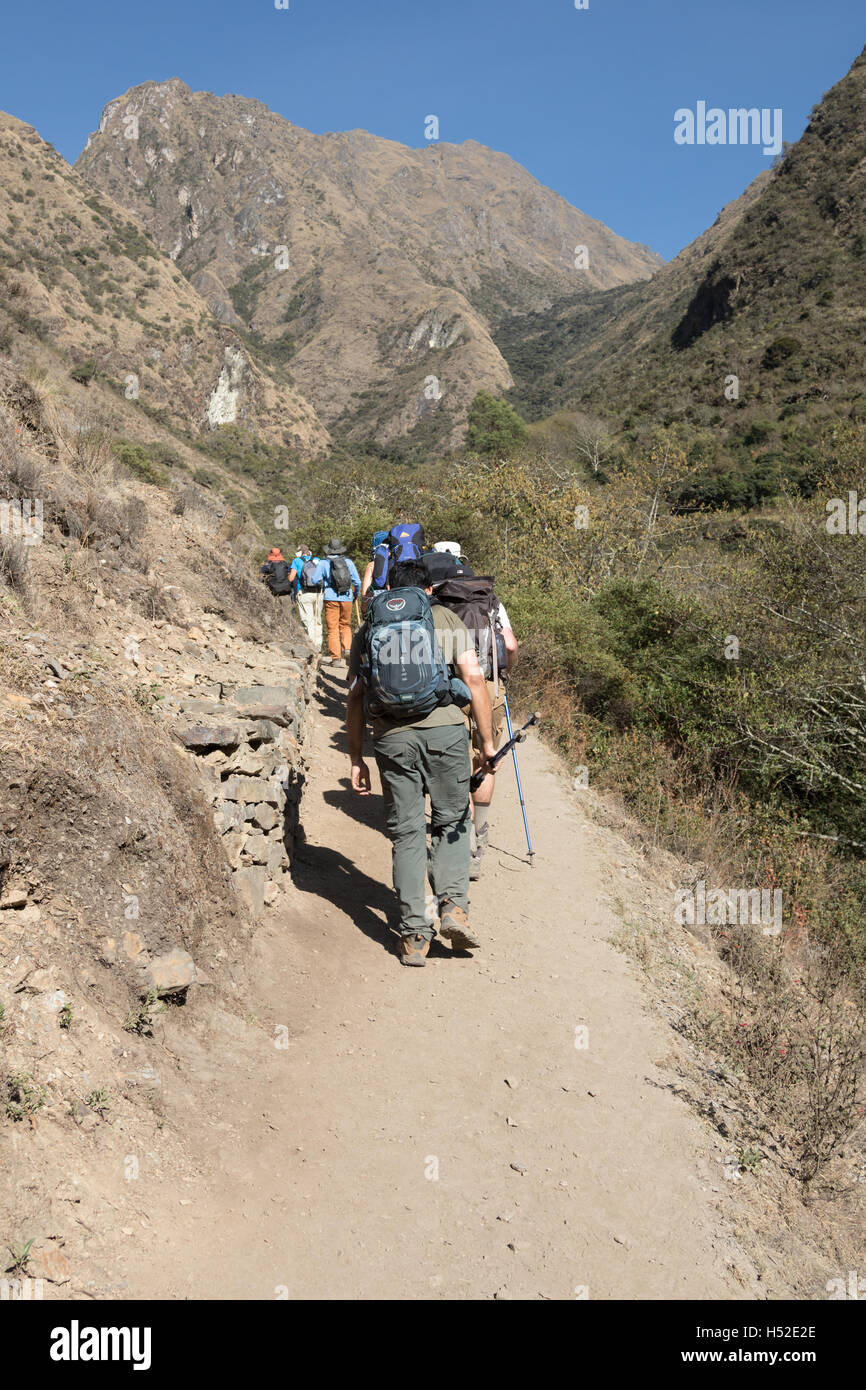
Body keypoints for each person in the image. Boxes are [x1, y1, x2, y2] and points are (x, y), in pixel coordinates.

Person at [347, 558, 497, 966]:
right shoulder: (446, 619)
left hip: (392, 738)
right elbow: (475, 679)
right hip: (446, 731)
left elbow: (357, 696)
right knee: (451, 820)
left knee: (407, 833)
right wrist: (486, 743)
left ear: (390, 590)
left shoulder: (370, 626)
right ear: (428, 590)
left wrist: (357, 756)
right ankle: (453, 907)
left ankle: (415, 935)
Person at [430, 547, 519, 879]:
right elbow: (509, 644)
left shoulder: (437, 595)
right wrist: (502, 677)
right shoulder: (488, 597)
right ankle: (478, 844)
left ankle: (459, 842)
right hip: (489, 686)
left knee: (456, 763)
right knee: (487, 759)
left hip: (448, 686)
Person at [315, 539, 361, 664]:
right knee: (345, 625)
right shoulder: (348, 562)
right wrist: (355, 594)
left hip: (330, 597)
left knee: (332, 628)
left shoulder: (323, 563)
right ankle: (348, 650)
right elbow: (357, 581)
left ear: (328, 550)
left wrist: (325, 583)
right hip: (347, 597)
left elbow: (315, 580)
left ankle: (336, 658)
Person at [290, 545, 324, 648]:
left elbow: (291, 578)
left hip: (304, 593)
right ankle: (318, 645)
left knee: (307, 620)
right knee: (317, 619)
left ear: (299, 553)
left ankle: (310, 644)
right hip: (318, 593)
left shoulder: (296, 561)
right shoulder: (317, 560)